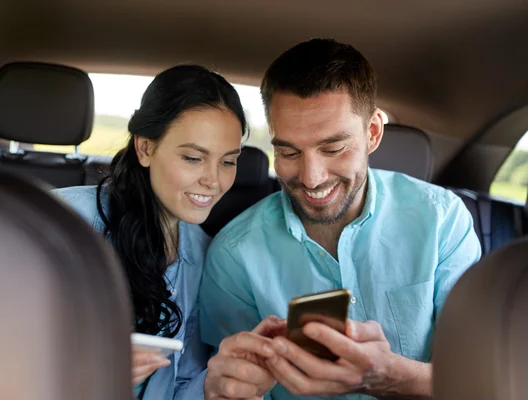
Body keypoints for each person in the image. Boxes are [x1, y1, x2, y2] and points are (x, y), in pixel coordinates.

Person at [199, 38, 482, 400]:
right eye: (287, 151)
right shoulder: (233, 255)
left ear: (373, 133)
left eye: (333, 148)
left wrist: (389, 377)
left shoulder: (442, 221)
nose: (311, 177)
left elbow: (480, 378)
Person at [54, 64, 275, 399]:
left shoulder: (205, 256)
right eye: (192, 158)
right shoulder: (61, 223)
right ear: (145, 149)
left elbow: (181, 382)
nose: (213, 181)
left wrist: (215, 386)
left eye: (228, 161)